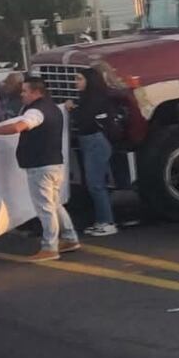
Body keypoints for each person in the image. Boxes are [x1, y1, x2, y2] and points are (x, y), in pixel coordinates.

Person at [0, 77, 80, 262]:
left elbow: (19, 126)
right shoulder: (53, 108)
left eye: (25, 91)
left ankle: (50, 246)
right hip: (55, 163)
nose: (22, 94)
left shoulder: (36, 111)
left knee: (45, 208)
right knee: (55, 203)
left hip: (40, 165)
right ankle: (69, 237)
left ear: (36, 92)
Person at [65, 67, 118, 237]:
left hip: (95, 141)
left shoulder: (94, 99)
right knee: (94, 183)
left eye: (79, 79)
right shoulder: (89, 98)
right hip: (90, 141)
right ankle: (101, 220)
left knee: (96, 183)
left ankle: (107, 222)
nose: (76, 83)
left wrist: (72, 109)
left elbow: (85, 119)